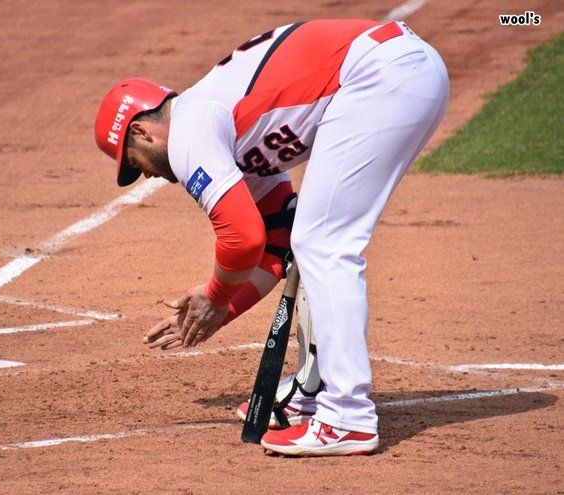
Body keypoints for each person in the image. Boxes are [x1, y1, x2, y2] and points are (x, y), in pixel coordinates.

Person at [94, 19, 448, 456]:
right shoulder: (227, 132)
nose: (146, 175)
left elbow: (241, 240)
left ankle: (347, 418)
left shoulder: (189, 131)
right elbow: (276, 242)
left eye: (135, 162)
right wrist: (220, 312)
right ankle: (315, 390)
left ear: (141, 130)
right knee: (310, 239)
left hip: (381, 75)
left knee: (323, 242)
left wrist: (214, 296)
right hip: (401, 71)